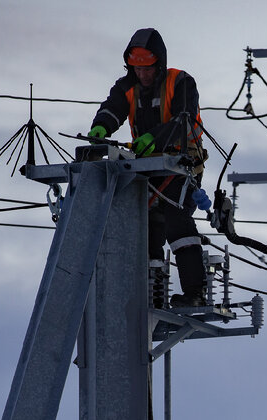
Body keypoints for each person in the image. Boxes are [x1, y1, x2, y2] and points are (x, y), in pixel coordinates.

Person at [87, 28, 209, 306]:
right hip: (145, 169)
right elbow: (113, 108)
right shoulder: (126, 86)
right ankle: (151, 299)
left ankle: (195, 293)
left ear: (159, 64)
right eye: (136, 69)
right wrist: (100, 127)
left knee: (177, 221)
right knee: (146, 230)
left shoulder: (181, 82)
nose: (142, 74)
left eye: (147, 69)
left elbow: (184, 121)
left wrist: (153, 139)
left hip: (181, 165)